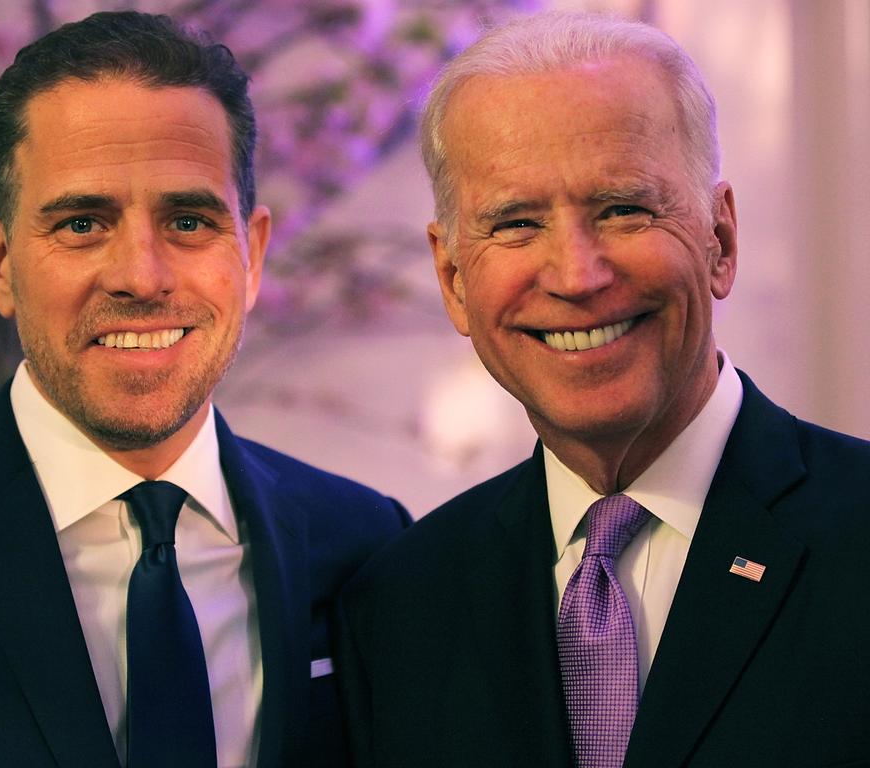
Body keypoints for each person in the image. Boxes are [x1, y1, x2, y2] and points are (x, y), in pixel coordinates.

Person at [0, 11, 408, 768]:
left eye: (187, 219)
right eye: (82, 223)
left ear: (252, 256)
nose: (141, 277)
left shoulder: (368, 547)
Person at [334, 10, 870, 768]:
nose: (578, 275)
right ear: (453, 279)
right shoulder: (399, 606)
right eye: (516, 223)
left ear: (720, 238)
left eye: (623, 209)